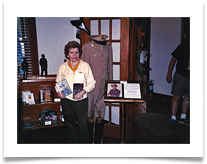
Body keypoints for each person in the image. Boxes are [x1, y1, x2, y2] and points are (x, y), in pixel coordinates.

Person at [56, 41, 96, 143]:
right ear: (67, 54)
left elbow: (92, 82)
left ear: (80, 53)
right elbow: (58, 82)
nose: (74, 55)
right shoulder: (62, 67)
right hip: (67, 100)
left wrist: (83, 91)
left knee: (83, 125)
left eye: (76, 52)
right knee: (70, 125)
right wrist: (59, 92)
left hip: (81, 100)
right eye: (71, 52)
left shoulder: (85, 66)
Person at [82, 34, 113, 143]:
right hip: (91, 87)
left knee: (100, 114)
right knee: (88, 114)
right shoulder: (86, 48)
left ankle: (98, 141)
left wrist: (110, 85)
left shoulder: (108, 47)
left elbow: (110, 67)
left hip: (103, 86)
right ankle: (88, 141)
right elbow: (84, 69)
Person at [166, 34, 190, 129]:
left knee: (188, 98)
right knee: (177, 97)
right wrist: (169, 74)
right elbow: (173, 60)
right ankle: (173, 118)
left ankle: (183, 117)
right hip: (181, 75)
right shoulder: (183, 46)